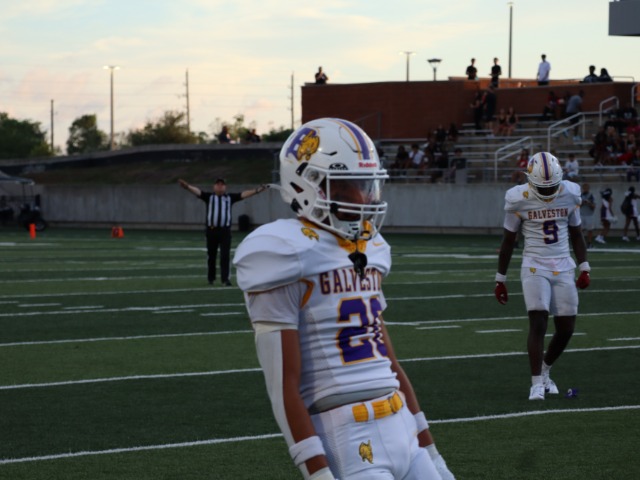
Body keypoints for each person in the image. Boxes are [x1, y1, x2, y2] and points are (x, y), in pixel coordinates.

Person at [233, 118, 455, 480]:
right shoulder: (283, 250)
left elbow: (389, 362)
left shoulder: (372, 248)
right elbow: (283, 385)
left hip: (402, 425)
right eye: (349, 185)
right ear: (308, 185)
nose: (364, 198)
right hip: (347, 435)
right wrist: (317, 472)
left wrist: (431, 451)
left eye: (367, 185)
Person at [494, 152, 590, 401]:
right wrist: (500, 279)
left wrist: (584, 266)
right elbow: (508, 241)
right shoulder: (518, 198)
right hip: (534, 264)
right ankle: (536, 383)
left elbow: (577, 233)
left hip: (563, 265)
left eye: (551, 187)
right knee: (538, 321)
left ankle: (545, 369)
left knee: (567, 328)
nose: (547, 192)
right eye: (542, 187)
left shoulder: (570, 193)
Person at [178, 177, 268, 286]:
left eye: (222, 184)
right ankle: (211, 278)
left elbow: (243, 194)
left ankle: (225, 279)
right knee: (211, 255)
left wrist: (257, 190)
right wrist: (187, 187)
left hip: (225, 231)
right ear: (214, 187)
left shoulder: (229, 198)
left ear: (225, 187)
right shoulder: (209, 197)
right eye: (218, 184)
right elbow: (198, 192)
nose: (220, 186)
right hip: (211, 230)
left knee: (225, 255)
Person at [580, 183, 596, 248]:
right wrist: (583, 203)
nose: (585, 189)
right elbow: (577, 206)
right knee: (581, 230)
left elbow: (593, 207)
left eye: (586, 188)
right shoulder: (580, 195)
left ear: (589, 188)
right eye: (584, 188)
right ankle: (581, 242)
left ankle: (589, 243)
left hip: (589, 215)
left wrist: (589, 203)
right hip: (581, 214)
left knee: (590, 230)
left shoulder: (592, 196)